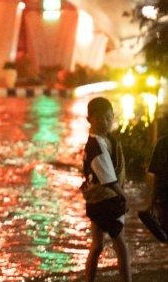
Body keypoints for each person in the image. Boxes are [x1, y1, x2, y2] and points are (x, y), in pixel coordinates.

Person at [81, 97, 131, 282]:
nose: (106, 122)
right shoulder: (97, 145)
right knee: (121, 246)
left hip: (95, 200)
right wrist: (124, 196)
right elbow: (109, 179)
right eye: (101, 118)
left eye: (109, 118)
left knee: (97, 245)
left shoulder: (102, 140)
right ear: (90, 119)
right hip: (107, 201)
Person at [141, 135, 168, 238]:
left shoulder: (162, 143)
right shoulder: (162, 143)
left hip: (164, 200)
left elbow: (156, 175)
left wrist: (151, 203)